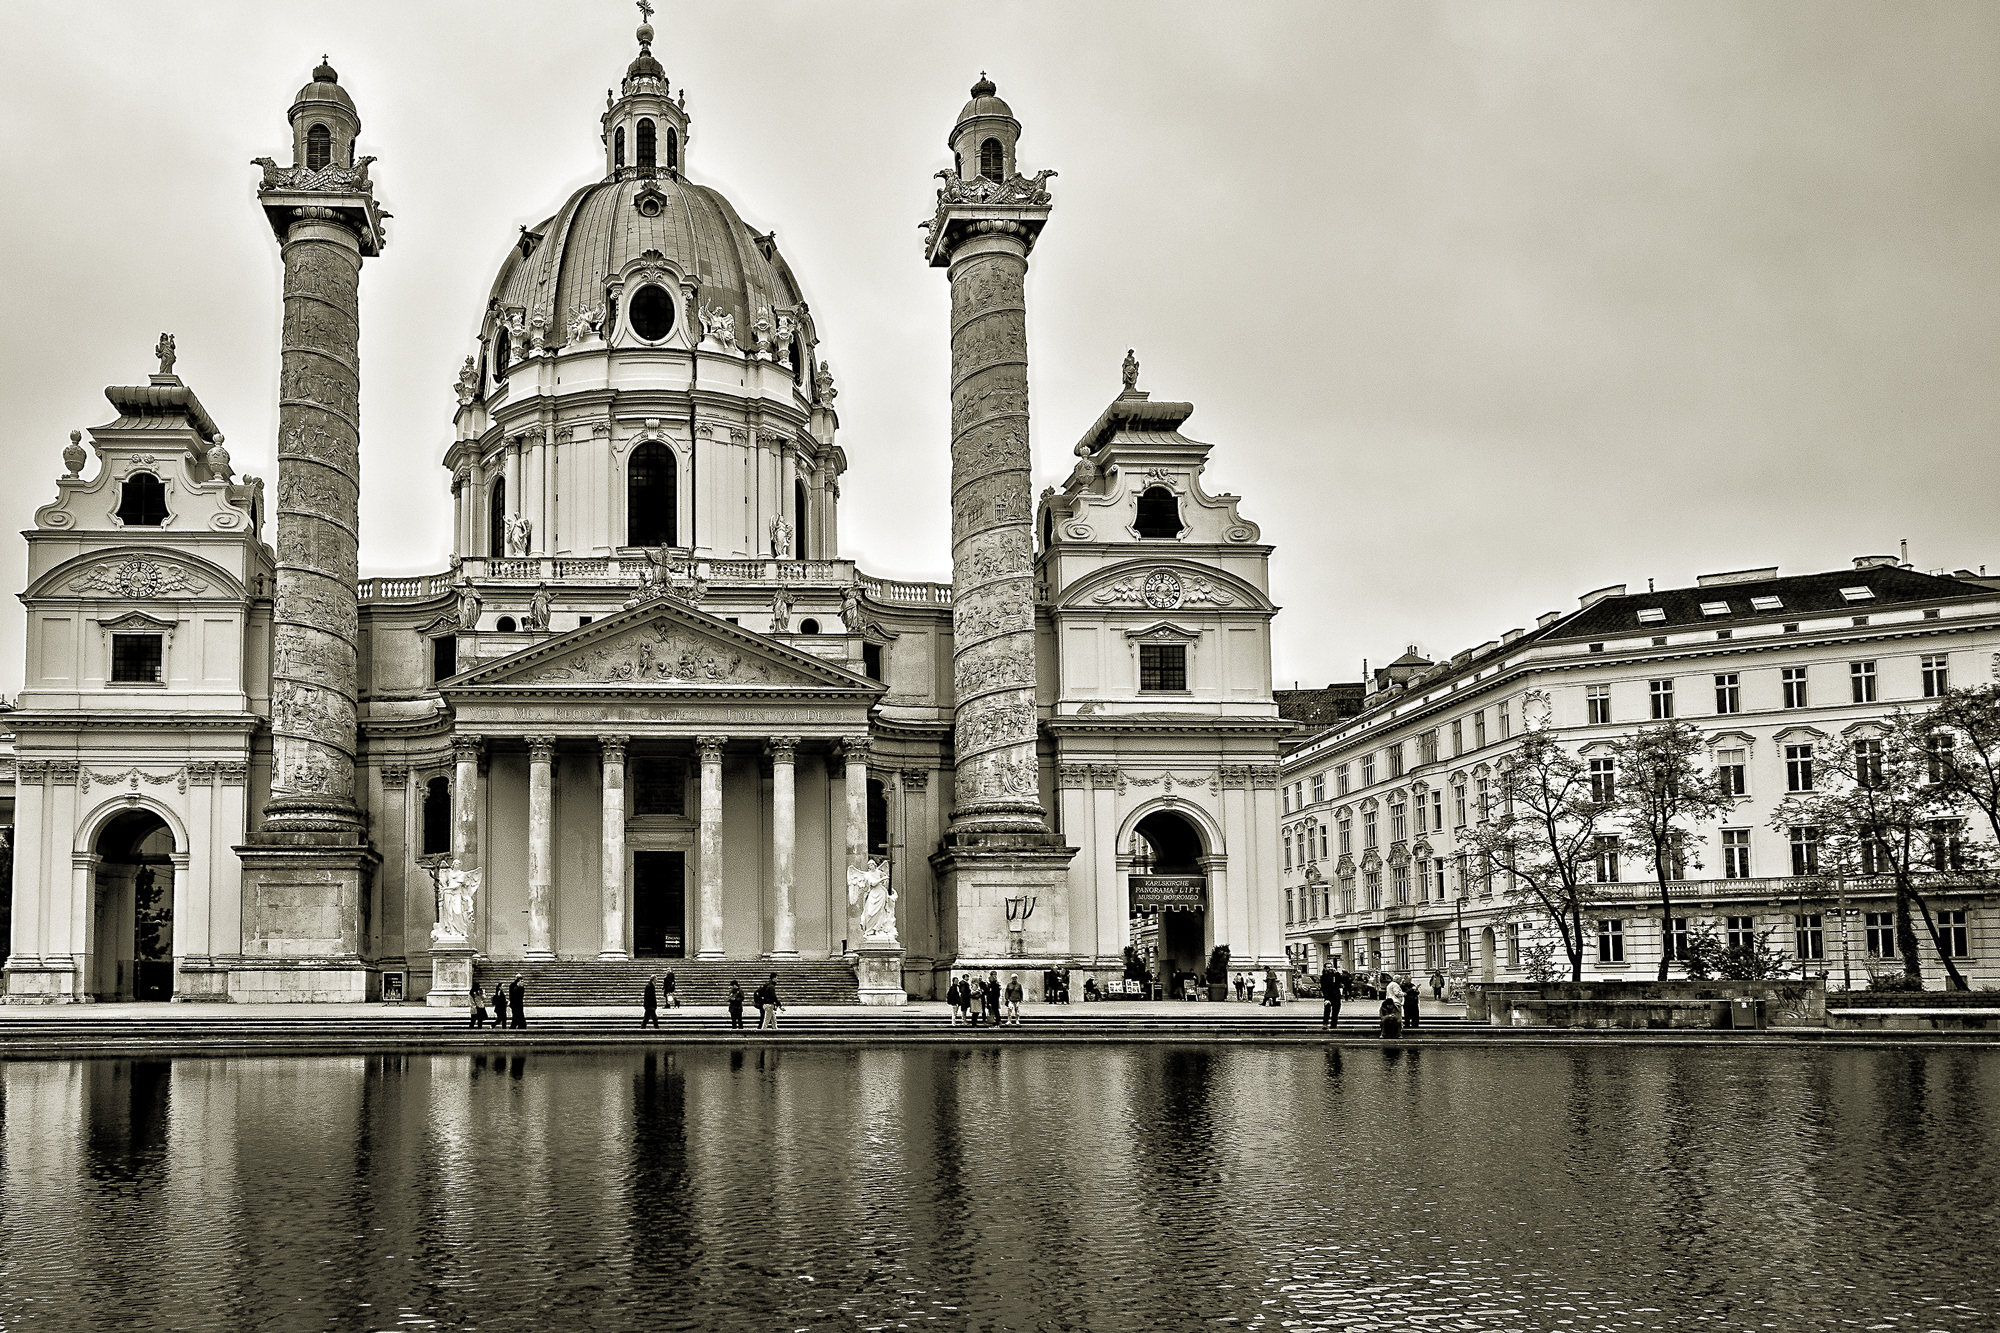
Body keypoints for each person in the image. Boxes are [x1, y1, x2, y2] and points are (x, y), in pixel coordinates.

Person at [1319, 961, 1342, 1029]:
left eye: (1331, 967)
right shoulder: (1323, 977)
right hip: (1328, 996)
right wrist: (1327, 998)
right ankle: (1325, 1024)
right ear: (1325, 968)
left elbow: (1340, 981)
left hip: (1336, 996)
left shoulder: (1335, 975)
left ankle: (1333, 1026)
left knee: (1335, 1012)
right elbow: (1324, 988)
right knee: (1327, 1010)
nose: (1330, 968)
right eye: (1328, 967)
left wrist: (1337, 973)